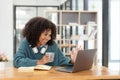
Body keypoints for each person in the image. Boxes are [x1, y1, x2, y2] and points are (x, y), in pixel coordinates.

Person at [14, 17, 80, 68]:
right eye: (45, 34)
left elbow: (62, 60)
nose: (48, 38)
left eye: (50, 35)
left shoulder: (52, 45)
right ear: (35, 33)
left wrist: (72, 61)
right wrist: (39, 62)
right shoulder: (26, 42)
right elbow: (17, 61)